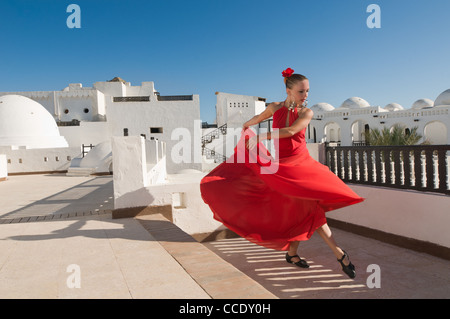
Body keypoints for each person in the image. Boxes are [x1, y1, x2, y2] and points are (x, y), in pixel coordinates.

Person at [200, 68, 364, 278]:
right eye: (301, 92)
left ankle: (334, 254)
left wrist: (260, 137)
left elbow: (292, 131)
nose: (306, 96)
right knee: (301, 210)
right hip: (281, 167)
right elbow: (259, 117)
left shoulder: (306, 112)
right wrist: (247, 126)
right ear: (288, 90)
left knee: (307, 208)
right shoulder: (275, 107)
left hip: (301, 166)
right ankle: (306, 254)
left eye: (307, 91)